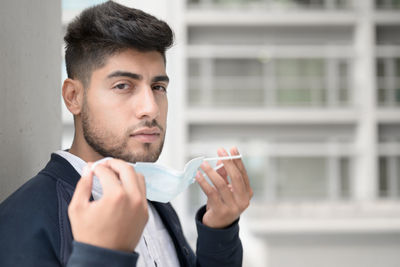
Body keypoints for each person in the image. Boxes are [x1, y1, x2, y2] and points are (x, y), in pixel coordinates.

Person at [0, 1, 253, 266]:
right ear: (73, 96)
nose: (151, 108)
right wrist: (104, 256)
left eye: (158, 87)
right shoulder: (23, 222)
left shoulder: (156, 203)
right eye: (123, 85)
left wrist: (219, 232)